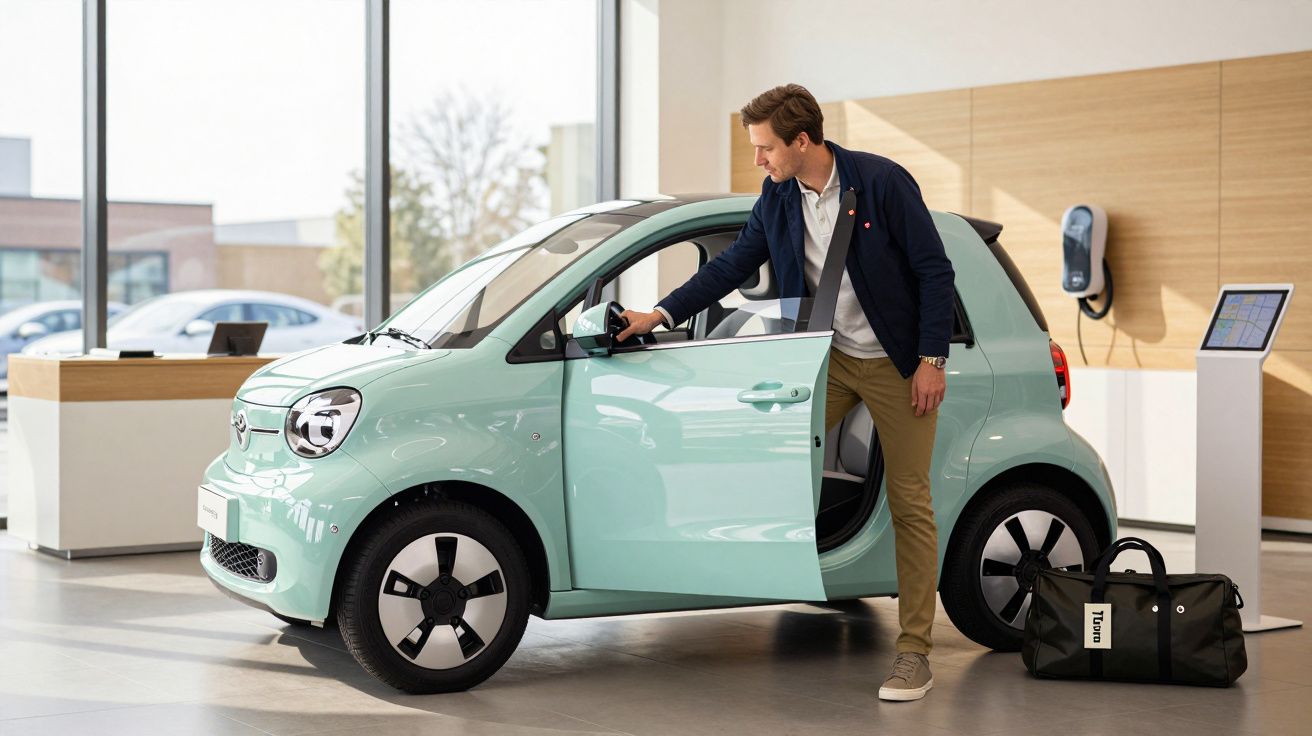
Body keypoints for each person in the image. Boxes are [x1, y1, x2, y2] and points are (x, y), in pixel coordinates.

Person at [616, 83, 955, 702]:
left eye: (766, 147)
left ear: (803, 140)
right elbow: (730, 266)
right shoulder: (777, 197)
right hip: (828, 359)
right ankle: (795, 580)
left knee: (910, 502)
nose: (758, 160)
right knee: (767, 459)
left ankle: (914, 654)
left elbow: (935, 270)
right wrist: (659, 315)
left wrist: (932, 360)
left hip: (898, 363)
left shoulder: (882, 182)